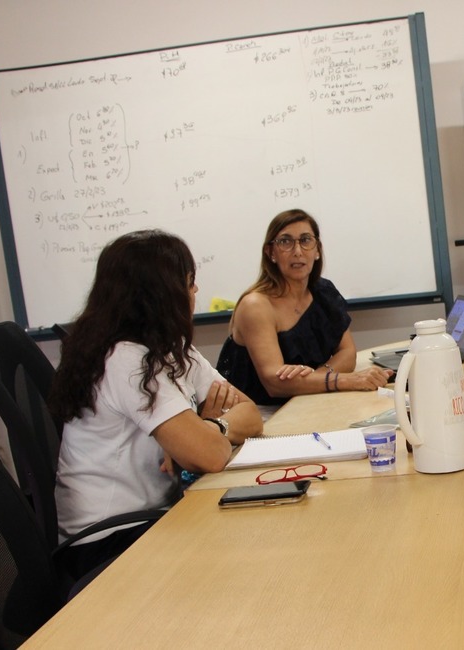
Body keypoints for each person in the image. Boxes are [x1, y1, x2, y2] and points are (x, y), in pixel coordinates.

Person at [49, 229, 263, 579]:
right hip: (107, 544)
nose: (195, 292)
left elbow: (251, 413)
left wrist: (211, 426)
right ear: (162, 293)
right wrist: (200, 436)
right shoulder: (126, 360)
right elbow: (211, 456)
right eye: (190, 282)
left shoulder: (169, 348)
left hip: (153, 518)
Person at [216, 209, 391, 412]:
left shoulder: (324, 291)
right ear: (270, 252)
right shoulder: (255, 305)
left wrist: (313, 380)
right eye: (285, 242)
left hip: (309, 400)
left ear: (317, 250)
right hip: (260, 413)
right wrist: (342, 380)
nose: (297, 251)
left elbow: (347, 352)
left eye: (306, 240)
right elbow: (275, 383)